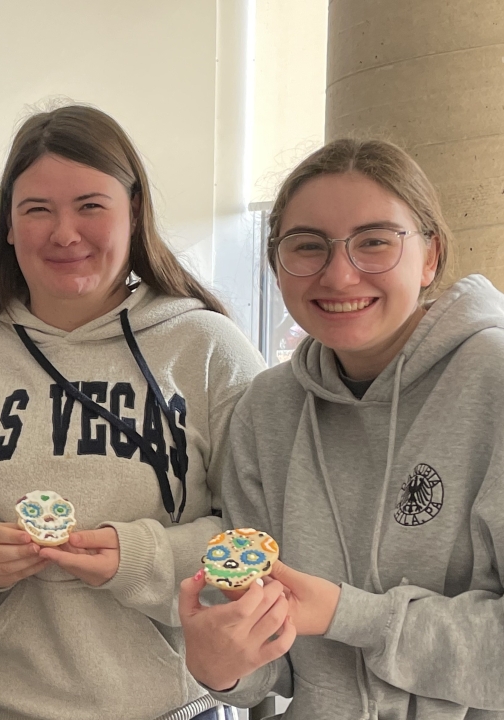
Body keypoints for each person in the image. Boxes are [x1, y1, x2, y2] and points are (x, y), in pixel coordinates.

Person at [0, 104, 264, 720]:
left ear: (135, 210)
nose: (65, 234)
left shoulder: (208, 348)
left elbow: (262, 540)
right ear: (8, 226)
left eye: (91, 205)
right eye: (37, 209)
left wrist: (144, 557)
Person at [178, 138, 504, 720]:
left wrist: (350, 615)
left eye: (375, 242)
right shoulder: (268, 408)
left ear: (431, 256)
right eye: (307, 247)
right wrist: (219, 664)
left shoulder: (494, 382)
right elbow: (271, 665)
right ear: (277, 265)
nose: (340, 275)